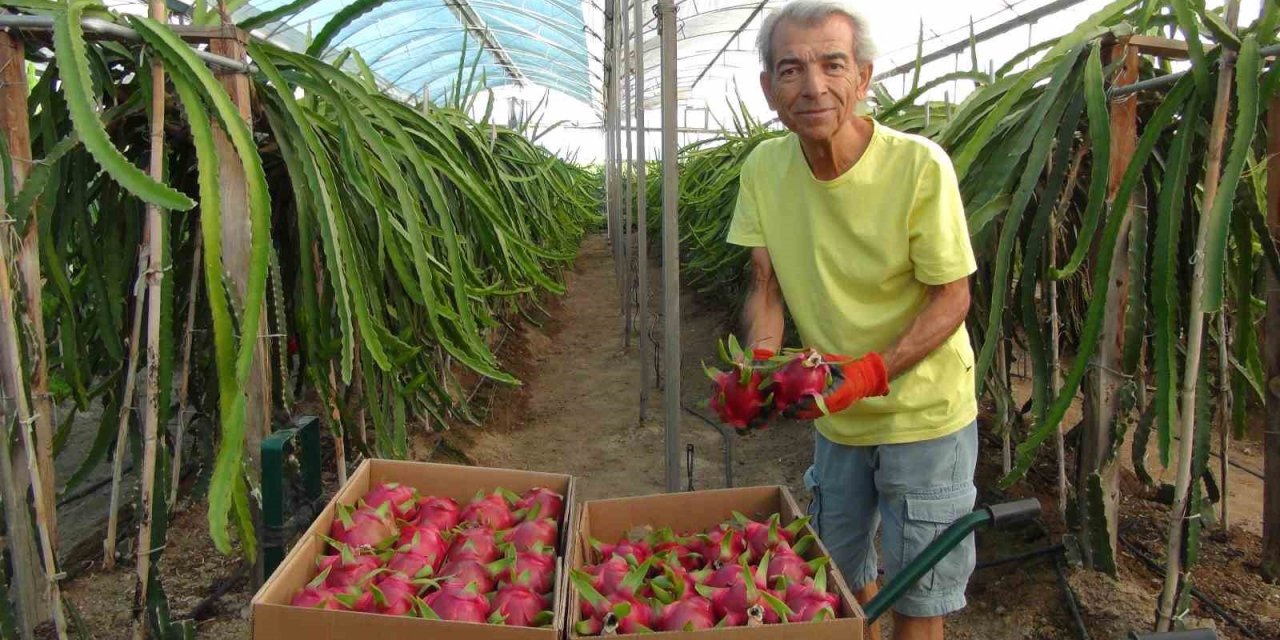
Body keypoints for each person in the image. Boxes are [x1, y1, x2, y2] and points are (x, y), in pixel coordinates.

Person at [723, 2, 979, 639]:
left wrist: (870, 374)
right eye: (791, 69)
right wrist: (760, 368)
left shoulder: (919, 166)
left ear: (863, 77)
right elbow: (765, 287)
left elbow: (952, 298)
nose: (813, 86)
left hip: (924, 413)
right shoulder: (763, 170)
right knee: (838, 580)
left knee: (918, 599)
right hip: (836, 416)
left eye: (832, 65)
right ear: (768, 88)